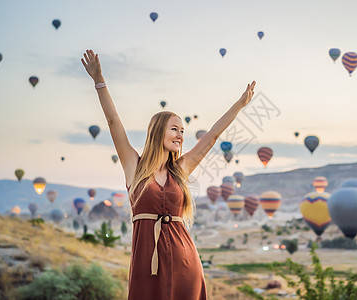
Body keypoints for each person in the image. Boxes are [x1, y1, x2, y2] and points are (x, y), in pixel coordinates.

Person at [81, 49, 256, 299]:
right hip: (147, 265)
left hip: (185, 261)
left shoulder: (181, 169)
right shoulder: (134, 167)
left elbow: (213, 136)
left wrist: (239, 105)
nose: (180, 136)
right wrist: (99, 80)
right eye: (175, 129)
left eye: (183, 131)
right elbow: (112, 122)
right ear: (157, 132)